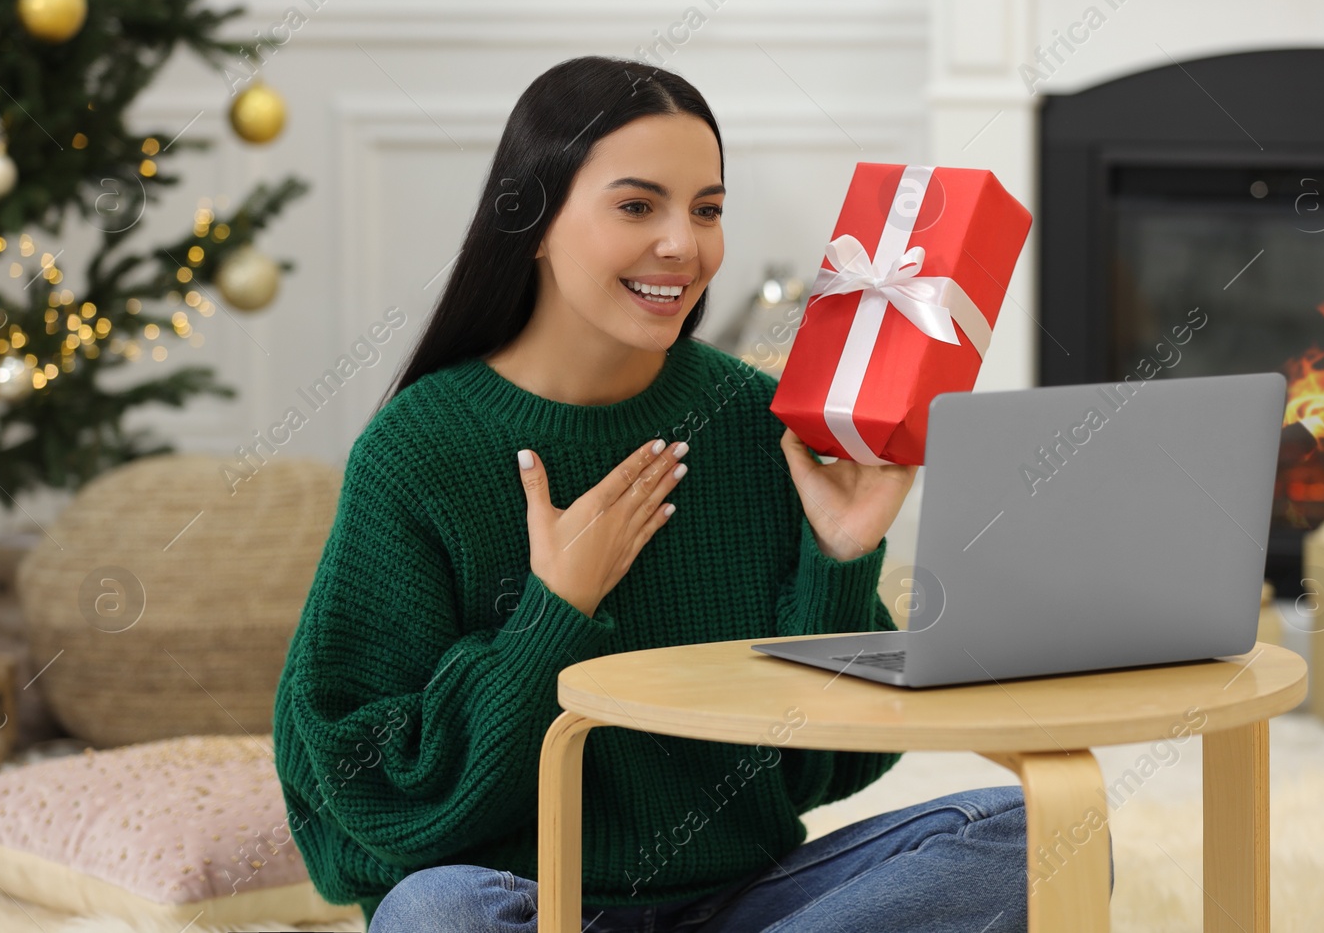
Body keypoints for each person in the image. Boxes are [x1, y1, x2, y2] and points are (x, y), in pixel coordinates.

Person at [272, 55, 1044, 932]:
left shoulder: (760, 421)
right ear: (530, 218)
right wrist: (551, 613)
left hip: (742, 900)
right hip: (530, 906)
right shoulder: (420, 449)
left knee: (1025, 837)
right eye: (639, 206)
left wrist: (842, 555)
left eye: (707, 209)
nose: (685, 244)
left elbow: (821, 769)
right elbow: (362, 793)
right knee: (435, 911)